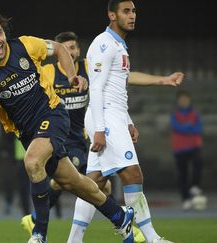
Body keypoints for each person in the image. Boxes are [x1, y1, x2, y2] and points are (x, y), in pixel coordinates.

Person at [0, 5, 135, 243]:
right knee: (73, 182)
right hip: (28, 133)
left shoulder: (25, 45)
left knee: (32, 161)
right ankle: (120, 216)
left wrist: (72, 76)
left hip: (53, 112)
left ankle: (39, 233)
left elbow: (59, 48)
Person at [68, 1, 185, 243]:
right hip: (105, 116)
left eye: (134, 11)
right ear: (112, 15)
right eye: (126, 11)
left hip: (114, 115)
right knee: (133, 174)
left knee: (94, 183)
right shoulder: (103, 43)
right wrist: (100, 129)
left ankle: (74, 239)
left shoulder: (119, 45)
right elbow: (98, 89)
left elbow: (118, 86)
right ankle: (151, 237)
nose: (132, 16)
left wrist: (128, 119)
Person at [21, 31, 144, 242]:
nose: (73, 51)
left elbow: (122, 77)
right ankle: (126, 224)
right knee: (74, 178)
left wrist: (159, 81)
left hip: (81, 137)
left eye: (75, 47)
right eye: (67, 48)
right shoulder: (49, 72)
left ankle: (119, 221)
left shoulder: (88, 67)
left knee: (101, 186)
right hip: (58, 135)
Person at [171, 90, 205, 210]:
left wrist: (184, 127)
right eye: (181, 100)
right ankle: (185, 199)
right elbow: (176, 126)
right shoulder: (175, 114)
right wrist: (188, 126)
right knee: (183, 174)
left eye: (185, 99)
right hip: (180, 148)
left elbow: (199, 128)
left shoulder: (195, 113)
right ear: (178, 101)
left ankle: (194, 185)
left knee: (198, 163)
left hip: (194, 145)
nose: (184, 102)